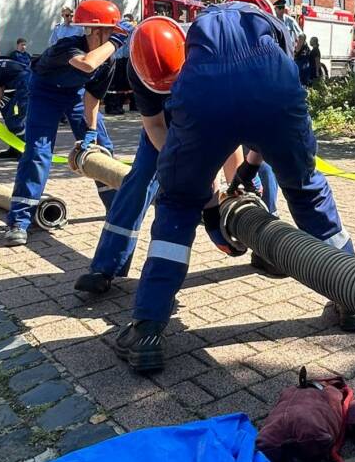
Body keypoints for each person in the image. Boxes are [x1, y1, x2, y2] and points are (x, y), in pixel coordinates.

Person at [113, 0, 355, 373]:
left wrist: (192, 187)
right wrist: (242, 172)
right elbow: (265, 94)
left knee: (176, 206)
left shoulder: (195, 36)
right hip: (273, 90)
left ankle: (147, 328)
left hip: (205, 96)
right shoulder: (267, 25)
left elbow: (192, 119)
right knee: (306, 188)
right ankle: (354, 300)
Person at [74, 16, 245, 294]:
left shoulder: (212, 58)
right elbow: (154, 125)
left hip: (206, 110)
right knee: (140, 177)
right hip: (163, 119)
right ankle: (106, 266)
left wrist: (232, 188)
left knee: (251, 174)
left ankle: (262, 238)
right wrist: (180, 163)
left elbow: (227, 133)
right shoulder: (139, 65)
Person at [3, 0, 128, 247]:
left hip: (76, 95)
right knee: (38, 153)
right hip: (44, 93)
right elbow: (86, 63)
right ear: (98, 31)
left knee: (103, 149)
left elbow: (92, 97)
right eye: (112, 32)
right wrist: (115, 42)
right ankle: (19, 221)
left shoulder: (109, 62)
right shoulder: (68, 46)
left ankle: (115, 211)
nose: (116, 38)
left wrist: (91, 133)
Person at [104, 15, 135, 115]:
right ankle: (112, 106)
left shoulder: (130, 28)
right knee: (114, 85)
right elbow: (130, 27)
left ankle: (119, 105)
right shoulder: (124, 26)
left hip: (124, 58)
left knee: (123, 84)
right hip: (115, 58)